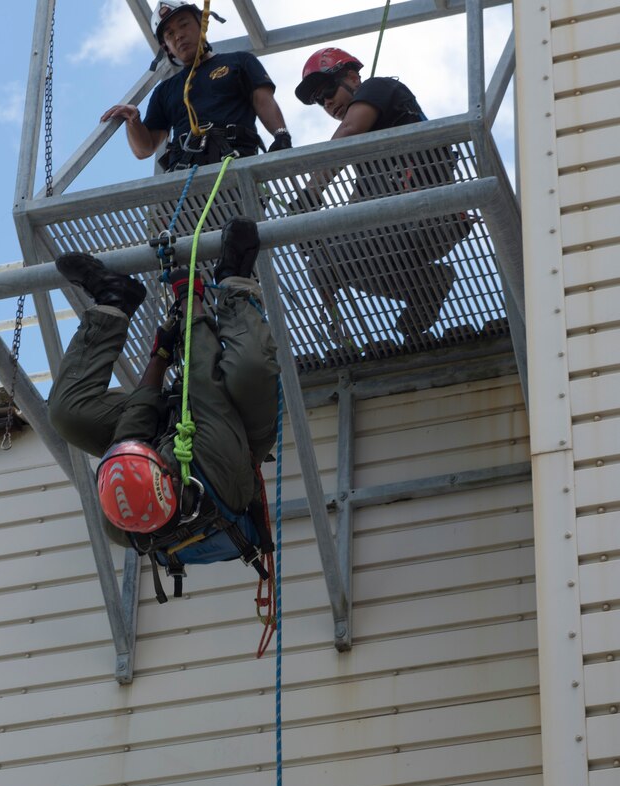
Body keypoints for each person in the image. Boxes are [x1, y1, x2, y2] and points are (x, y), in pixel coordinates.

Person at [48, 217, 281, 599]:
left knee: (67, 413)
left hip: (163, 436)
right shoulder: (214, 467)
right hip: (233, 435)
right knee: (249, 369)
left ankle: (114, 300)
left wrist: (159, 353)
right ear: (169, 478)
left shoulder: (117, 515)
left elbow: (135, 422)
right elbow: (203, 382)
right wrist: (189, 298)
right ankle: (235, 281)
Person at [292, 47, 472, 345]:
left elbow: (348, 130)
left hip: (425, 215)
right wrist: (315, 235)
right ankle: (428, 285)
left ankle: (424, 287)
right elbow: (355, 214)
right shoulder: (370, 167)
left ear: (351, 77)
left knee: (327, 259)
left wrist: (310, 195)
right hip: (408, 228)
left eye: (328, 90)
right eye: (318, 101)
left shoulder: (379, 87)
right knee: (326, 262)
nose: (326, 102)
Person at [100, 1, 292, 172]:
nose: (179, 36)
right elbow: (145, 149)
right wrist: (134, 120)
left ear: (202, 24)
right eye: (170, 34)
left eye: (184, 25)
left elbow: (263, 100)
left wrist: (281, 135)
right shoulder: (165, 91)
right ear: (166, 47)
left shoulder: (239, 62)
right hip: (184, 175)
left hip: (234, 164)